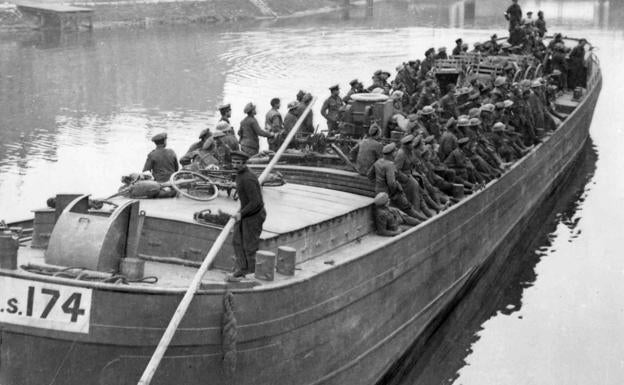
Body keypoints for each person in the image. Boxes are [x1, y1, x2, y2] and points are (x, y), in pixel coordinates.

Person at [229, 150, 267, 278]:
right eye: (233, 162)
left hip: (254, 215)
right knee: (236, 241)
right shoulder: (240, 174)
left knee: (249, 246)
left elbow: (256, 202)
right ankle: (243, 268)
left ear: (244, 163)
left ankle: (251, 273)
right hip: (246, 213)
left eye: (238, 163)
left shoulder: (248, 178)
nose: (235, 165)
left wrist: (241, 213)